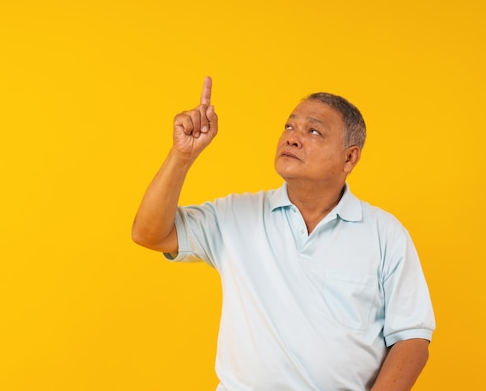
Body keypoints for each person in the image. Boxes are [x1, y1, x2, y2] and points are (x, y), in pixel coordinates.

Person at [132, 77, 435, 391]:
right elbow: (149, 233)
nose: (292, 138)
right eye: (289, 127)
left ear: (349, 157)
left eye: (313, 130)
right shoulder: (236, 215)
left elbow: (411, 338)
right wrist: (182, 156)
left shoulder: (386, 234)